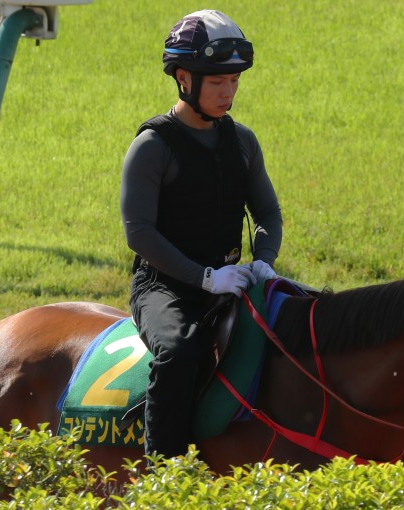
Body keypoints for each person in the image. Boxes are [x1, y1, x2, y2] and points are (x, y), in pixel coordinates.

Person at [120, 10, 283, 460]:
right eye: (217, 83)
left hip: (232, 280)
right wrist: (205, 278)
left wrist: (264, 258)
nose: (228, 93)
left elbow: (267, 211)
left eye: (233, 82)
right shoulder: (153, 146)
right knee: (177, 351)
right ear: (184, 78)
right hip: (165, 287)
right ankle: (163, 474)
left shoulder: (243, 141)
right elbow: (139, 232)